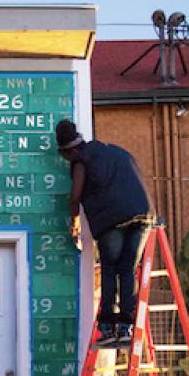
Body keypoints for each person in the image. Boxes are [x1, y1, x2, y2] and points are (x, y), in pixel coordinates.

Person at [56, 119, 155, 347]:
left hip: (113, 219)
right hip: (143, 215)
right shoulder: (115, 152)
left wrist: (74, 223)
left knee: (110, 269)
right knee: (128, 269)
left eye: (65, 157)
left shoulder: (81, 159)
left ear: (69, 150)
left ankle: (108, 329)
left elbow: (75, 196)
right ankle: (126, 328)